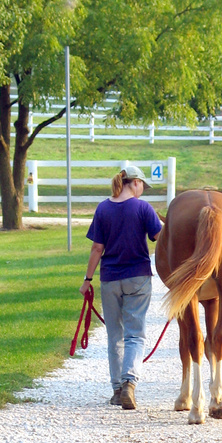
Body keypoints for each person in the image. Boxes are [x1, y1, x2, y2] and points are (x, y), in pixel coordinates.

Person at [80, 165, 163, 410]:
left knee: (114, 334)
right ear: (134, 182)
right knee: (135, 334)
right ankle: (129, 383)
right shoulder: (143, 208)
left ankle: (117, 389)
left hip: (110, 278)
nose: (142, 191)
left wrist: (87, 279)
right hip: (137, 277)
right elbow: (160, 237)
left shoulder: (103, 208)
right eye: (142, 186)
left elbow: (97, 248)